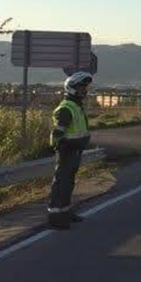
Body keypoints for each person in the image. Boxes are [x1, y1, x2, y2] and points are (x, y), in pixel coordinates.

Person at [47, 71, 93, 229]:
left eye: (84, 88)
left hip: (75, 151)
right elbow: (57, 133)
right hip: (67, 151)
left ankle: (65, 212)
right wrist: (60, 146)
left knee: (69, 183)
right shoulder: (66, 108)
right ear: (72, 88)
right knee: (61, 184)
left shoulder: (75, 106)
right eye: (81, 87)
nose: (84, 91)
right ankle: (55, 216)